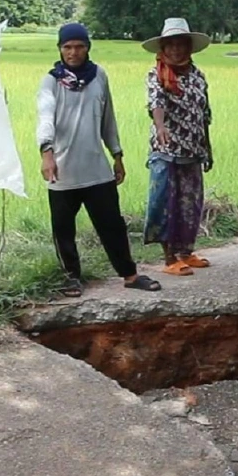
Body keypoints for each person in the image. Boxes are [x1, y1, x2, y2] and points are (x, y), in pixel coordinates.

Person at [36, 22, 161, 296]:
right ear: (59, 49)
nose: (73, 52)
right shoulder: (51, 81)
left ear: (88, 48)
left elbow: (108, 119)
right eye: (67, 47)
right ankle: (71, 277)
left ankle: (129, 274)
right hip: (63, 170)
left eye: (79, 46)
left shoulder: (99, 76)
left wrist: (117, 155)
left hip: (96, 168)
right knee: (63, 230)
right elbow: (45, 119)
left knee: (112, 225)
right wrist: (47, 153)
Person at [140, 17, 214, 276]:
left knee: (190, 204)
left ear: (189, 47)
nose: (176, 50)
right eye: (170, 45)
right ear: (163, 47)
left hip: (193, 151)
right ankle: (169, 258)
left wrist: (208, 148)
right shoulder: (157, 74)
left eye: (181, 44)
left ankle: (186, 252)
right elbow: (156, 103)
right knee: (165, 205)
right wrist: (160, 127)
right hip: (167, 151)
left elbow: (203, 114)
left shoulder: (197, 76)